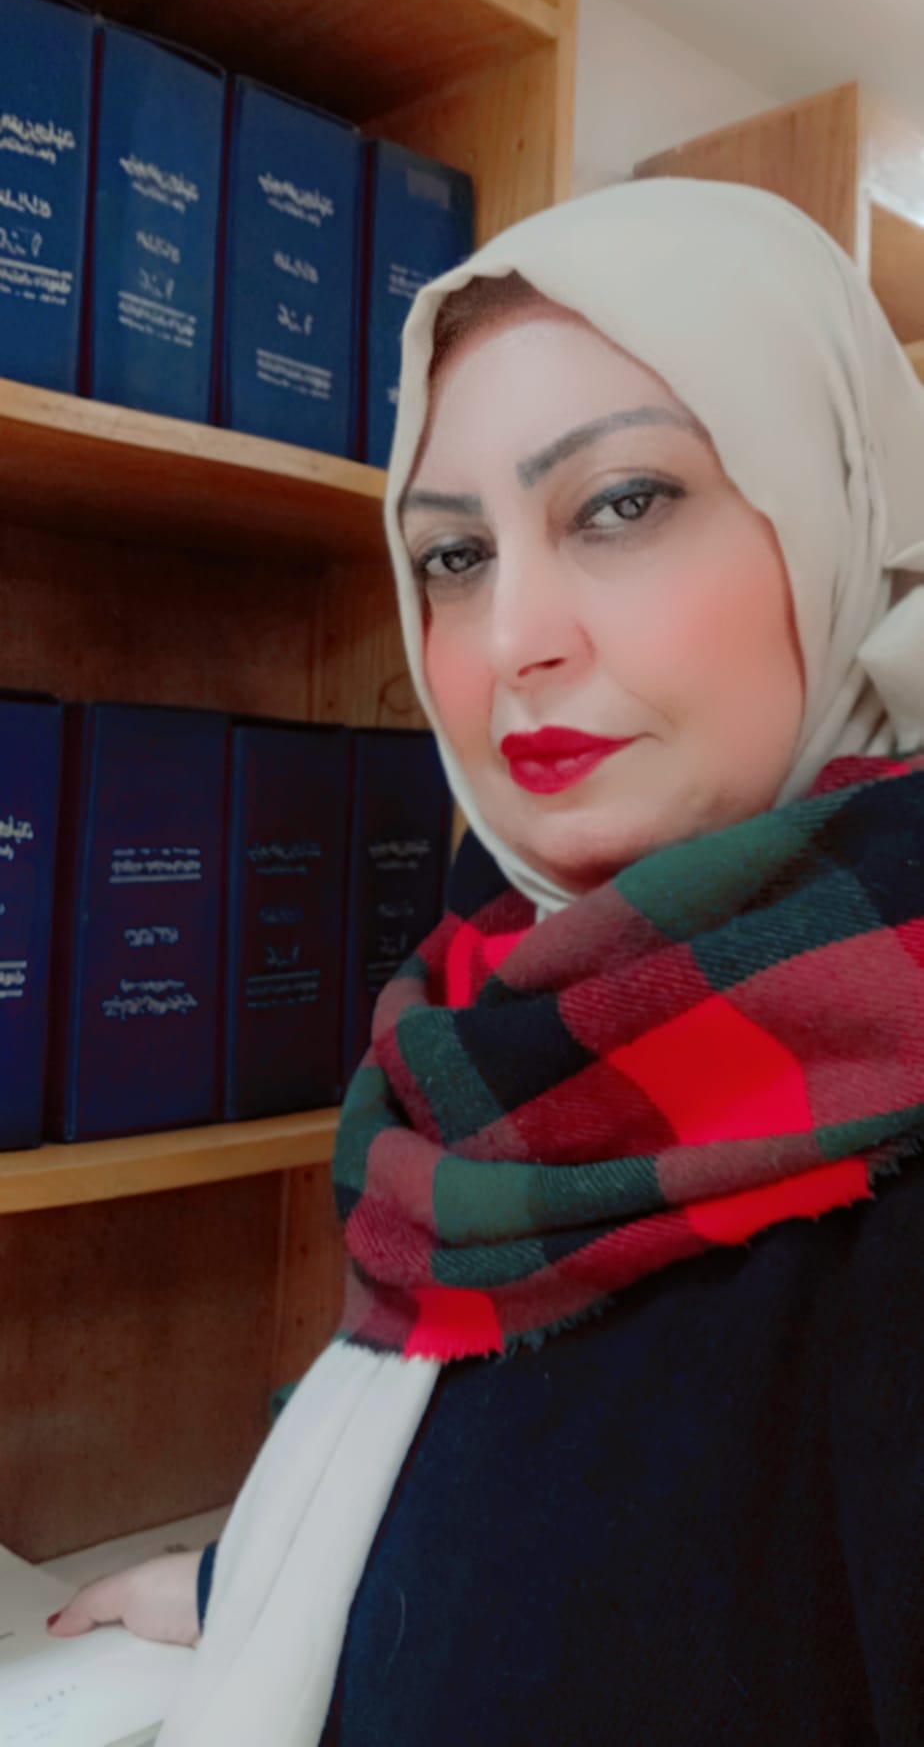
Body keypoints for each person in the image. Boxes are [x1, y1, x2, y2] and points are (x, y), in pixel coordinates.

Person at [49, 179, 924, 1744]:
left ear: (839, 513)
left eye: (621, 504)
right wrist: (265, 1576)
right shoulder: (486, 1026)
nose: (514, 637)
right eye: (453, 556)